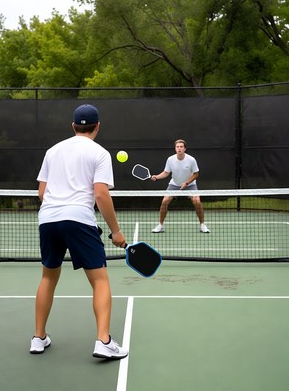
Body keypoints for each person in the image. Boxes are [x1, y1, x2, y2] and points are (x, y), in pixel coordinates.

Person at [30, 104, 129, 360]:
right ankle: (104, 341)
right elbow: (100, 193)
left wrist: (60, 209)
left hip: (48, 219)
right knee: (100, 280)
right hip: (79, 219)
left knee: (48, 277)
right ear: (97, 126)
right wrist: (115, 231)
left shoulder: (52, 151)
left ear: (73, 126)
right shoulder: (100, 153)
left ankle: (38, 338)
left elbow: (42, 193)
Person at [151, 139, 210, 233]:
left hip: (190, 185)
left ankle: (202, 224)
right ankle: (160, 225)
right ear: (175, 148)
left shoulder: (191, 160)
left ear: (185, 149)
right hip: (174, 184)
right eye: (177, 147)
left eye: (181, 147)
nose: (179, 148)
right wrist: (157, 177)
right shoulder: (170, 159)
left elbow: (196, 174)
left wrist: (186, 183)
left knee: (197, 202)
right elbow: (166, 172)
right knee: (164, 201)